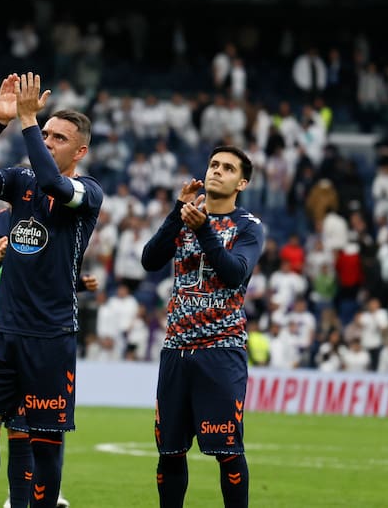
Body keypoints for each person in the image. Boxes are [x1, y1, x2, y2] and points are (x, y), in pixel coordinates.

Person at [0, 73, 103, 508]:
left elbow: (56, 185)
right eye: (47, 133)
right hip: (3, 334)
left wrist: (28, 121)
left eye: (60, 137)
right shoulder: (20, 183)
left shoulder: (87, 192)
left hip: (50, 337)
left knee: (43, 441)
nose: (49, 140)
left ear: (80, 151)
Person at [140, 146, 264, 508]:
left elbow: (234, 273)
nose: (217, 172)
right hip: (176, 349)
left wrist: (204, 230)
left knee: (227, 451)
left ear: (241, 182)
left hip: (221, 350)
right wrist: (176, 215)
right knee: (170, 452)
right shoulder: (186, 217)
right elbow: (150, 260)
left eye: (228, 168)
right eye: (213, 165)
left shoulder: (248, 227)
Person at [0, 208, 91, 508]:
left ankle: (18, 501)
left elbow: (55, 279)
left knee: (22, 432)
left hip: (28, 341)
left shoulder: (49, 221)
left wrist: (77, 284)